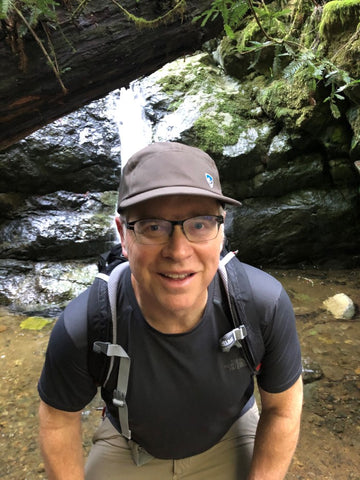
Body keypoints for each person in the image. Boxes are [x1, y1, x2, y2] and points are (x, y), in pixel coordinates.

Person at [38, 141, 303, 480]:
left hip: (230, 437)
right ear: (123, 234)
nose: (178, 252)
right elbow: (58, 420)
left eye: (201, 224)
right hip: (129, 447)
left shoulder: (263, 305)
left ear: (221, 231)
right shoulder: (86, 325)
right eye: (153, 226)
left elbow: (282, 409)